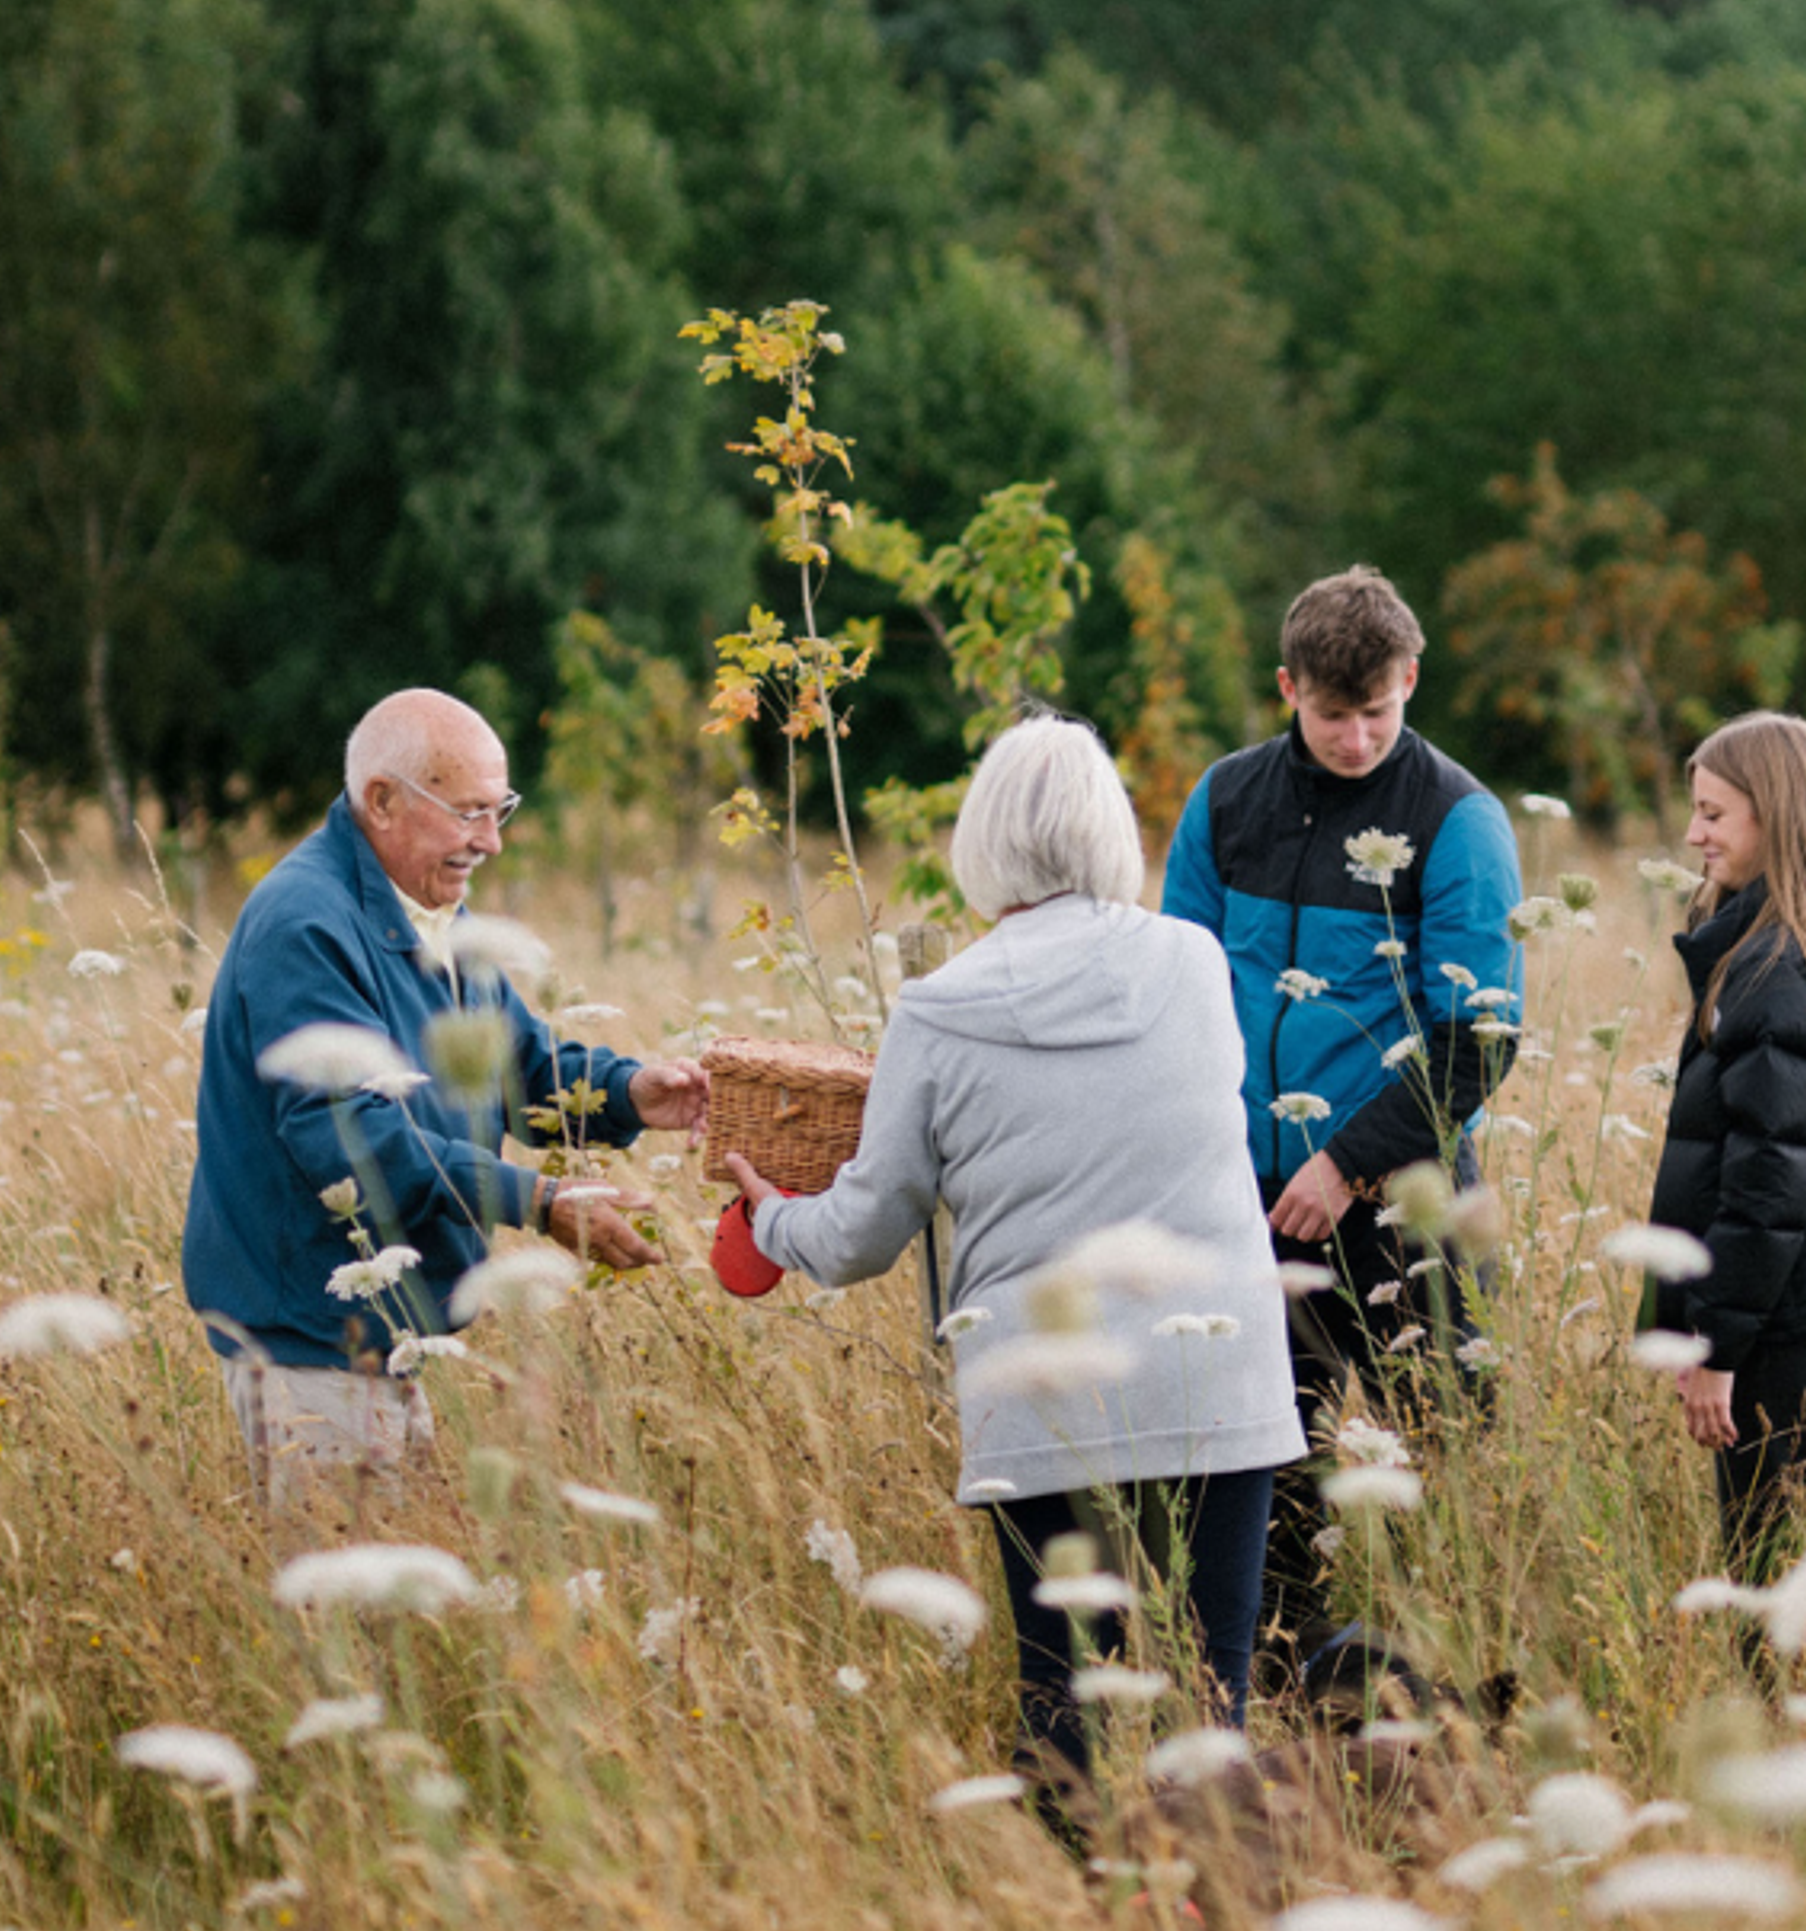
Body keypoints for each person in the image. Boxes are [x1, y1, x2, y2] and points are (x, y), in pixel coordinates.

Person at [718, 716, 1305, 1798]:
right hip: (1217, 1376)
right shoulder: (1194, 960)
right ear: (1110, 833)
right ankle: (1216, 1922)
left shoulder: (938, 1013)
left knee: (1066, 1707)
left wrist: (767, 1221)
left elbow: (858, 1236)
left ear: (982, 842)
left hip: (1045, 1397)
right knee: (1212, 1709)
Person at [184, 689, 707, 1508]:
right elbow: (351, 1137)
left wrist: (631, 1094)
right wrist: (537, 1201)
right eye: (469, 813)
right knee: (352, 1619)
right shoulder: (305, 924)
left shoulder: (431, 910)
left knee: (403, 1600)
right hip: (310, 1341)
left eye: (499, 811)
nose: (491, 842)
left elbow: (521, 1062)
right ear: (382, 800)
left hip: (386, 1336)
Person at [1157, 567, 1521, 1674]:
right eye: (1332, 715)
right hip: (1249, 1199)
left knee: (1437, 1455)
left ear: (1412, 680)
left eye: (1379, 713)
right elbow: (1175, 984)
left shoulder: (1459, 818)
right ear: (1287, 689)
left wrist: (1346, 1165)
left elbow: (1480, 1037)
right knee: (1266, 1458)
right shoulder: (1224, 800)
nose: (1358, 739)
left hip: (1403, 1202)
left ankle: (1453, 1679)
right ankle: (1282, 1678)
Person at [1643, 711, 1806, 1584]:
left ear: (1777, 816)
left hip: (1781, 1317)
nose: (1694, 835)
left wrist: (1716, 1348)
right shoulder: (1778, 950)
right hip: (1791, 1306)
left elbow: (1768, 1187)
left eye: (1715, 814)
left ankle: (1802, 1718)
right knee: (1784, 1547)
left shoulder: (1777, 972)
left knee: (1776, 1565)